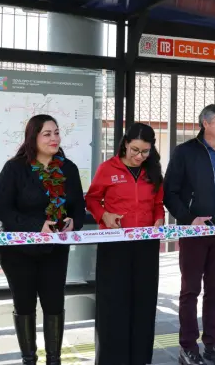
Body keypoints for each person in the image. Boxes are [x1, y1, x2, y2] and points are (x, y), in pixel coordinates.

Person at [0, 114, 87, 365]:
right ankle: (29, 359)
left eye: (56, 132)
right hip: (18, 251)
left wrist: (72, 222)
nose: (54, 138)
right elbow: (2, 209)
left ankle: (54, 359)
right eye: (47, 133)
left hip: (54, 249)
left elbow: (78, 208)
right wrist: (37, 226)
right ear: (32, 137)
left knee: (54, 303)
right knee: (24, 304)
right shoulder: (15, 168)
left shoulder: (68, 168)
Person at [164, 104, 215, 365]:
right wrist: (190, 220)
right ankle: (188, 347)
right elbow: (170, 192)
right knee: (190, 290)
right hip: (194, 232)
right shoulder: (185, 152)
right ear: (205, 123)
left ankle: (212, 344)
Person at [85, 123, 164, 365]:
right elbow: (91, 198)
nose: (139, 156)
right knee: (114, 303)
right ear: (125, 144)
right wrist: (104, 216)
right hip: (115, 243)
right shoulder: (108, 168)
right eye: (135, 150)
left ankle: (140, 358)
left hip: (146, 245)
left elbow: (158, 204)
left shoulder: (153, 171)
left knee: (144, 301)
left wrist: (159, 221)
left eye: (145, 151)